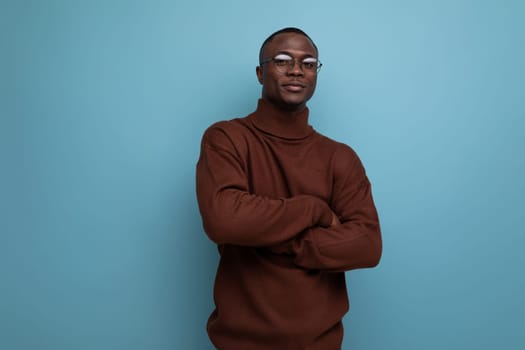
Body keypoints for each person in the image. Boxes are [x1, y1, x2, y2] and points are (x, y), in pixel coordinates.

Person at [196, 27, 382, 350]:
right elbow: (223, 218)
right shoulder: (227, 139)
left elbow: (367, 244)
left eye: (309, 63)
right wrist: (315, 209)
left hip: (320, 344)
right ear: (259, 72)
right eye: (282, 60)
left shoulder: (340, 157)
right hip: (238, 344)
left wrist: (281, 240)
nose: (297, 69)